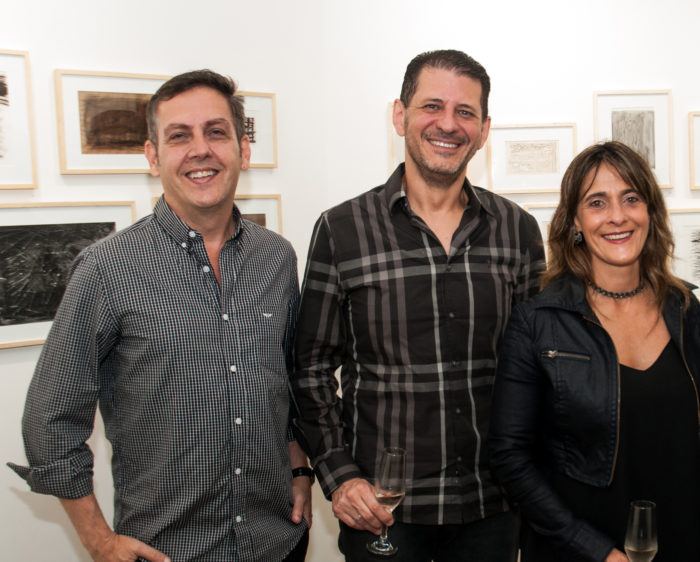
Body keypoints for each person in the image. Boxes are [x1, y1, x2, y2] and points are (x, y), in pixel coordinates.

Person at [8, 70, 312, 562]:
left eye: (216, 132)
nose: (201, 150)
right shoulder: (107, 268)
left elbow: (287, 385)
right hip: (167, 552)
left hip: (277, 543)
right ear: (153, 156)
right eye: (179, 136)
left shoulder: (276, 258)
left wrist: (299, 469)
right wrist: (99, 542)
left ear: (243, 149)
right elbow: (49, 422)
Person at [291, 49, 545, 561]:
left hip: (492, 506)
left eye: (465, 112)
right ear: (400, 114)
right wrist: (339, 476)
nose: (448, 124)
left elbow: (536, 369)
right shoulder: (342, 230)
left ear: (485, 127)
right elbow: (311, 367)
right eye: (432, 106)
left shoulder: (517, 231)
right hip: (384, 512)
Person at [488, 141, 700, 561]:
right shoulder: (537, 321)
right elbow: (509, 457)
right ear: (576, 223)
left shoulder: (689, 313)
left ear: (650, 212)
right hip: (577, 549)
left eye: (631, 199)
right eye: (597, 203)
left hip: (682, 541)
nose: (618, 216)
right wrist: (598, 551)